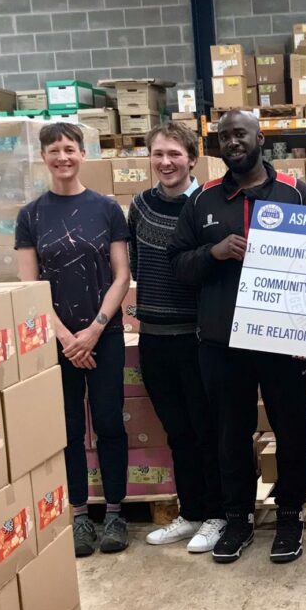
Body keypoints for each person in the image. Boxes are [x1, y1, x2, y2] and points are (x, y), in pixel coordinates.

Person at [167, 110, 306, 565]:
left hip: (283, 340)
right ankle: (237, 518)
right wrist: (212, 253)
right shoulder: (203, 200)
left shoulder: (295, 193)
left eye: (240, 134)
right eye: (224, 136)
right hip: (221, 343)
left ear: (260, 138)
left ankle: (289, 517)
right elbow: (178, 265)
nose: (232, 142)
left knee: (291, 431)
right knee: (230, 435)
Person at [15, 122, 131, 557]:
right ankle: (79, 515)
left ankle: (115, 513)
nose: (62, 157)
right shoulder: (31, 216)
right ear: (43, 157)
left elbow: (121, 275)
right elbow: (29, 286)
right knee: (68, 428)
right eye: (54, 150)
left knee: (108, 422)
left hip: (105, 335)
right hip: (57, 342)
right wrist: (66, 338)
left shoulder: (106, 209)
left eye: (69, 149)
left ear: (83, 154)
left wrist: (95, 330)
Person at [128, 122, 225, 553]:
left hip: (196, 336)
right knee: (177, 432)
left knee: (207, 430)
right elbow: (137, 265)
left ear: (192, 159)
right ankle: (191, 512)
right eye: (158, 154)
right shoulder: (139, 206)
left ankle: (218, 515)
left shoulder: (206, 205)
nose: (165, 162)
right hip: (153, 337)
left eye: (174, 154)